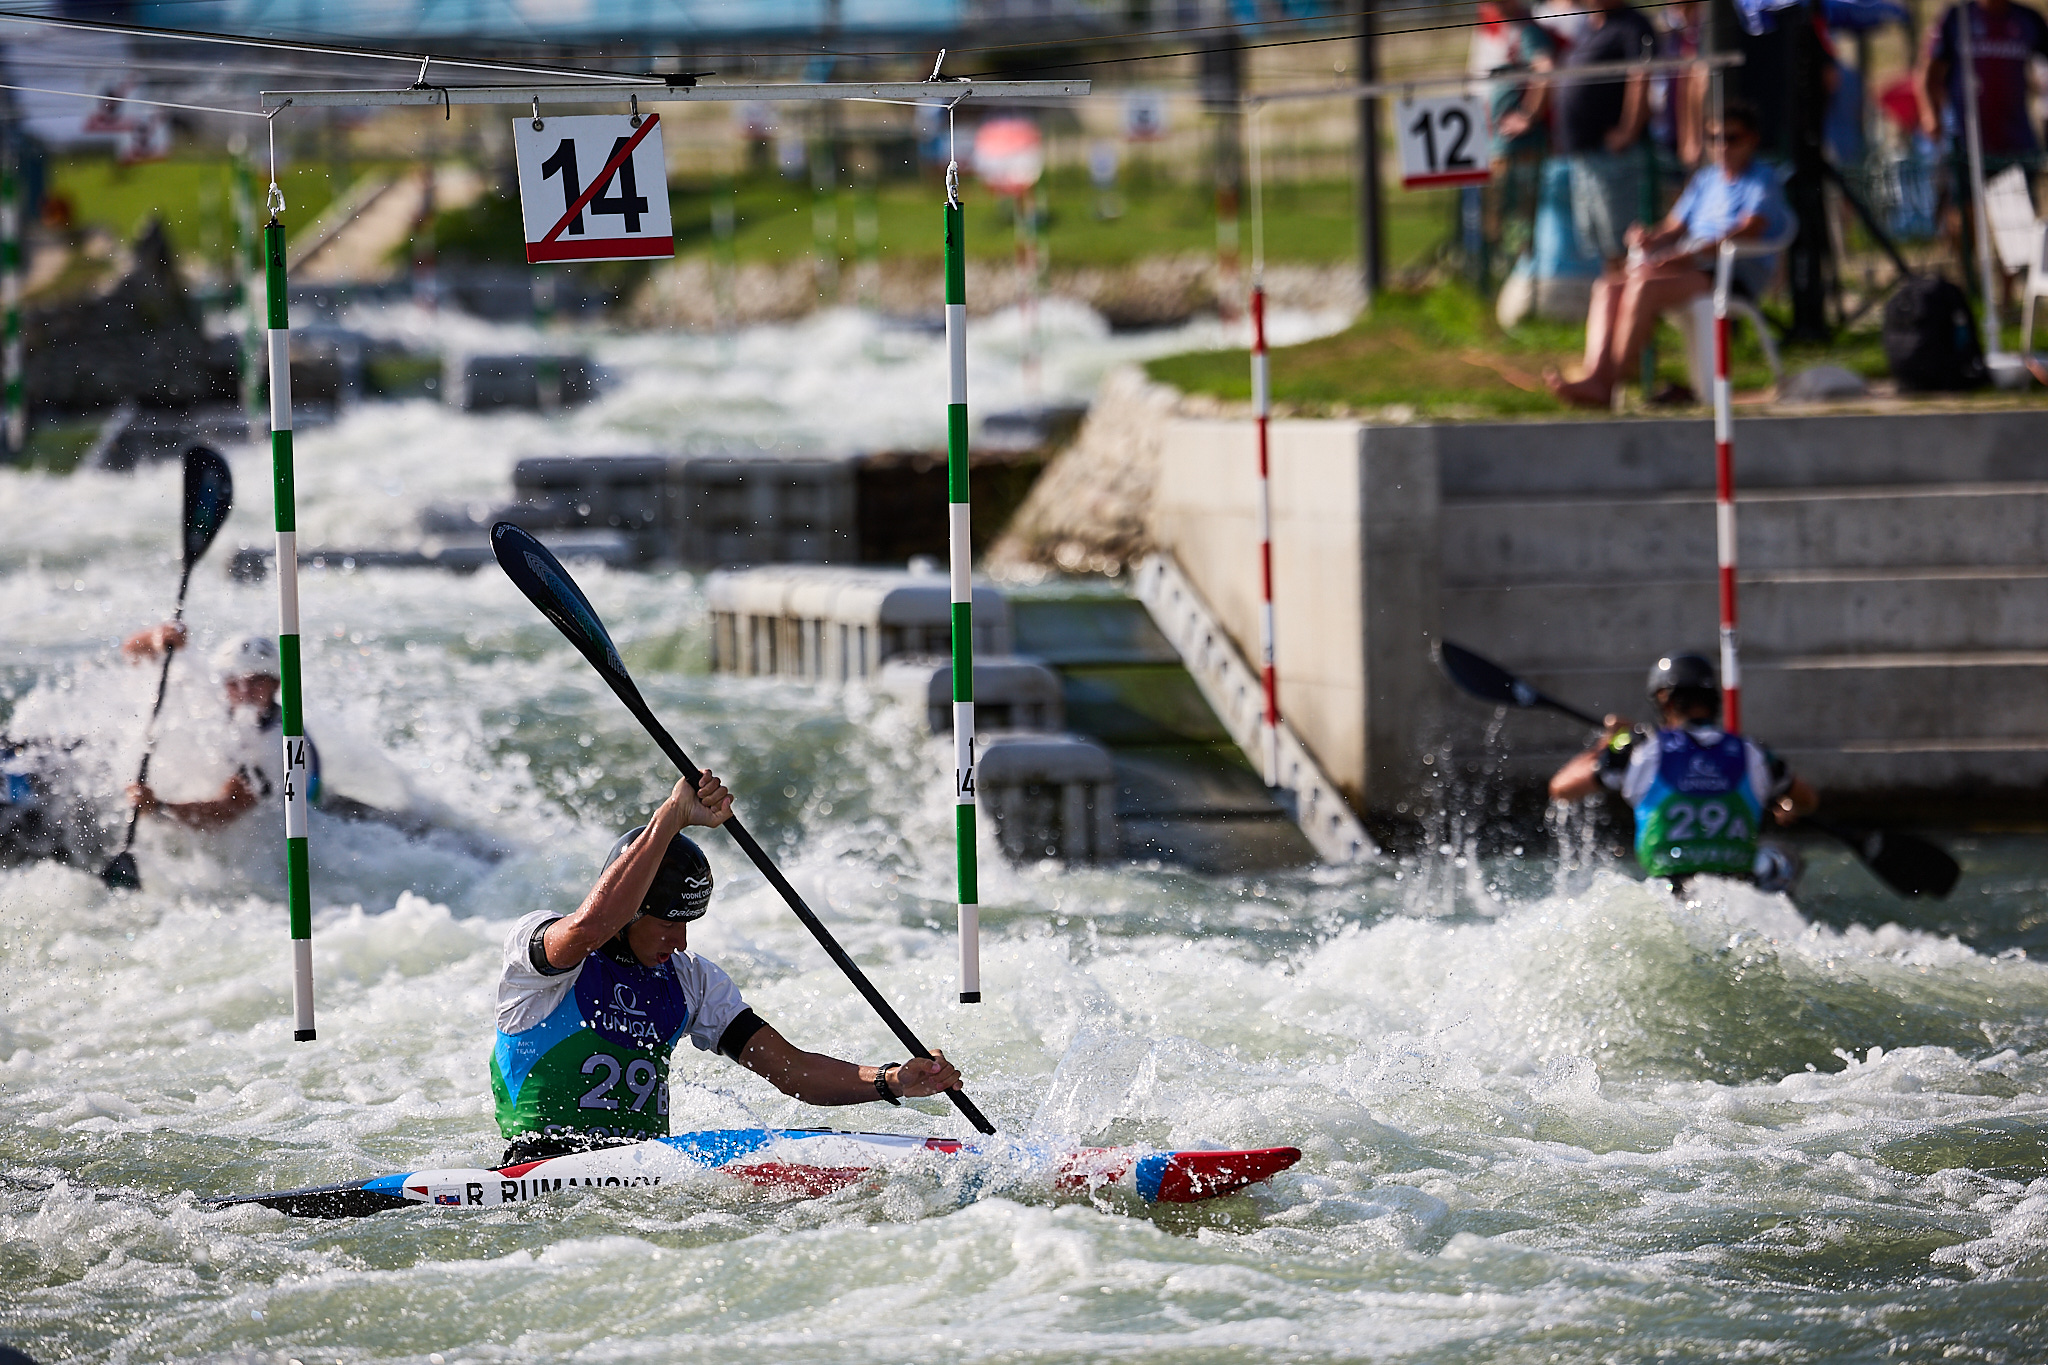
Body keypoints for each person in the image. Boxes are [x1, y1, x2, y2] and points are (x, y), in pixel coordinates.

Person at [494, 770, 963, 1164]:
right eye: (668, 923)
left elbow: (792, 1070)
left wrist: (892, 1080)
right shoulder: (540, 955)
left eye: (687, 924)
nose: (680, 941)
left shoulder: (691, 980)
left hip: (643, 1172)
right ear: (632, 913)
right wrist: (671, 817)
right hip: (539, 1166)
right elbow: (589, 928)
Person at [1547, 101, 1791, 408]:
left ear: (1752, 139)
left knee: (1644, 286)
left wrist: (1692, 255)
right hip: (1691, 267)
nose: (1722, 147)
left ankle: (1607, 385)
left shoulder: (1762, 178)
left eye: (1732, 138)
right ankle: (1596, 375)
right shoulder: (1706, 179)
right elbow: (1674, 227)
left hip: (1731, 272)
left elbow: (1750, 229)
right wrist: (1650, 238)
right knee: (1608, 286)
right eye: (1714, 138)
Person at [1549, 653, 1817, 890]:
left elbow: (1561, 788)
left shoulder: (1640, 748)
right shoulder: (1754, 752)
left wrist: (1607, 743)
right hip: (1735, 894)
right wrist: (1784, 802)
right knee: (1781, 859)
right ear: (1713, 700)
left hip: (1670, 895)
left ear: (1663, 699)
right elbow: (1808, 800)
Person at [1916, 0, 2048, 290]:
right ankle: (1969, 285)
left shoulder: (2028, 21)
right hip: (1965, 141)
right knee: (1963, 218)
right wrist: (1930, 114)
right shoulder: (1957, 19)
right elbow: (1930, 73)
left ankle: (2008, 297)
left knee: (2014, 225)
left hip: (2014, 141)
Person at [123, 627, 309, 831]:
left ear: (275, 684)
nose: (245, 691)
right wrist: (157, 640)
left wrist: (158, 808)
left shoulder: (277, 743)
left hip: (291, 818)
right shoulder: (212, 702)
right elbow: (131, 652)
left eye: (256, 681)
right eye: (234, 682)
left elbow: (228, 809)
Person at [1552, 0, 1659, 269]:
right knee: (1600, 245)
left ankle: (1628, 293)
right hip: (1585, 155)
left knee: (1621, 244)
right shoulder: (1590, 27)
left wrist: (1628, 131)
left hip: (1614, 156)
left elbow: (1640, 75)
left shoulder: (1633, 25)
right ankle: (1611, 292)